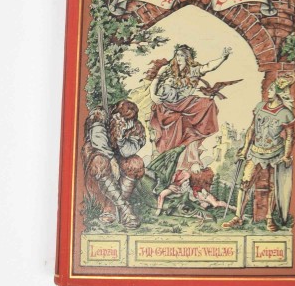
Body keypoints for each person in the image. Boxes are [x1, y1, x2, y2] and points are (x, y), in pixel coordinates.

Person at [222, 73, 295, 232]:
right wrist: (244, 148)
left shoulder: (286, 113)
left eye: (271, 89)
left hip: (275, 153)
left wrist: (286, 156)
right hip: (255, 152)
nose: (268, 92)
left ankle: (269, 218)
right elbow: (252, 129)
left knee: (272, 186)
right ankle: (238, 217)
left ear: (278, 93)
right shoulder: (260, 107)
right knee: (245, 183)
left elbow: (290, 136)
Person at [149, 44, 232, 171]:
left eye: (182, 55)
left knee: (208, 103)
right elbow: (155, 82)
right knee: (179, 125)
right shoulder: (167, 69)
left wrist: (222, 58)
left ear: (188, 57)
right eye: (177, 55)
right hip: (166, 107)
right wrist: (153, 96)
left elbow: (209, 67)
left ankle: (191, 158)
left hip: (183, 104)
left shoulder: (193, 70)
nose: (179, 58)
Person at [82, 100, 146, 229]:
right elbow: (98, 140)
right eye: (121, 117)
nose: (123, 121)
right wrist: (111, 159)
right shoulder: (101, 115)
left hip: (120, 158)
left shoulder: (135, 127)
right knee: (100, 162)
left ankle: (114, 208)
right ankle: (125, 209)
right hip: (99, 156)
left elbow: (127, 151)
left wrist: (121, 138)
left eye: (128, 119)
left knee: (135, 163)